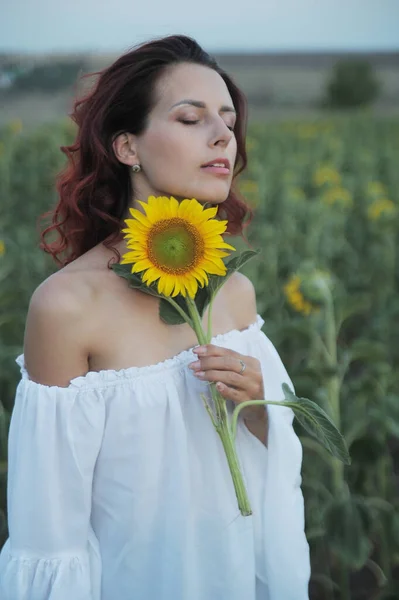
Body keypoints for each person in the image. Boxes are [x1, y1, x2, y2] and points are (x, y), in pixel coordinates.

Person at [0, 35, 310, 600]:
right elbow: (51, 536)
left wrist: (263, 405)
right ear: (127, 148)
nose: (223, 136)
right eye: (191, 118)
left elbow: (272, 471)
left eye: (228, 120)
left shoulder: (234, 289)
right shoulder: (66, 307)